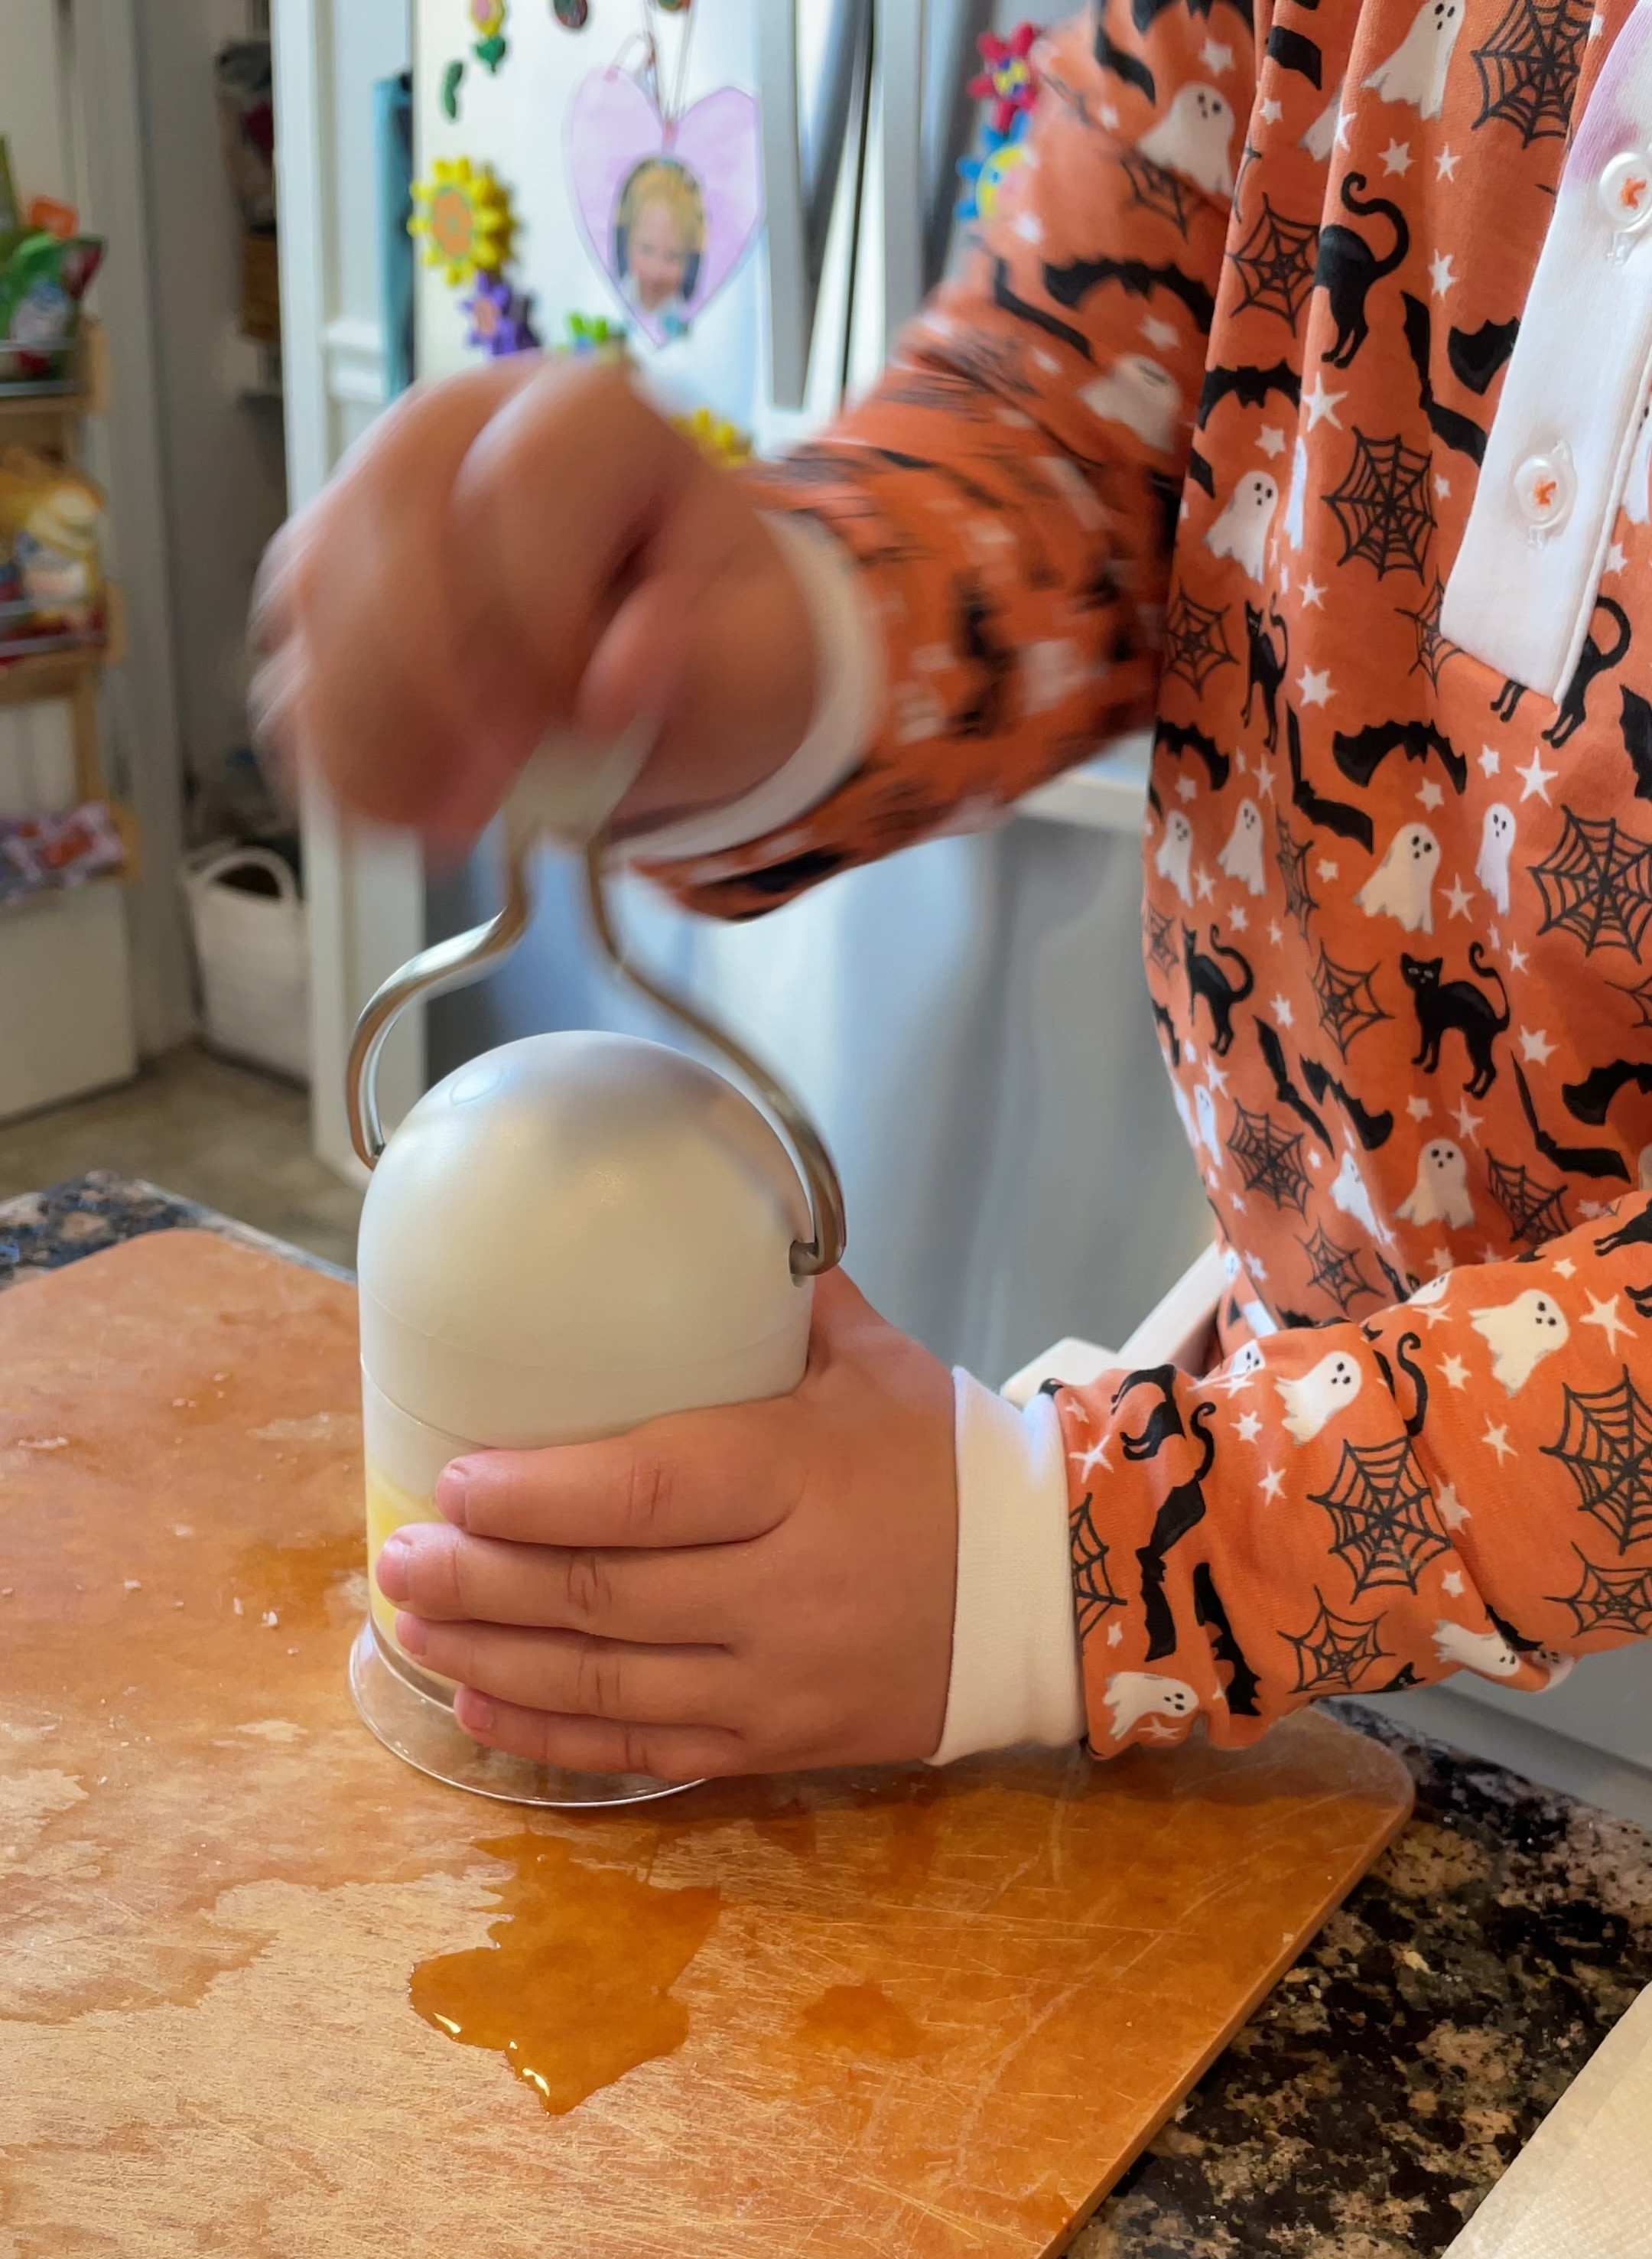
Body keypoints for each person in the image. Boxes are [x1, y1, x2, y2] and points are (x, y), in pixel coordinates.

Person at [252, 2, 1652, 1791]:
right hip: (1282, 1499)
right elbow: (1081, 404)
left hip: (1244, 1543)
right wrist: (775, 641)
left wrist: (1090, 1565)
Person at [613, 157, 703, 328]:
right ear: (627, 243)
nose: (657, 271)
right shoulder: (615, 296)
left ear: (690, 260)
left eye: (673, 257)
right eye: (646, 250)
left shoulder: (688, 311)